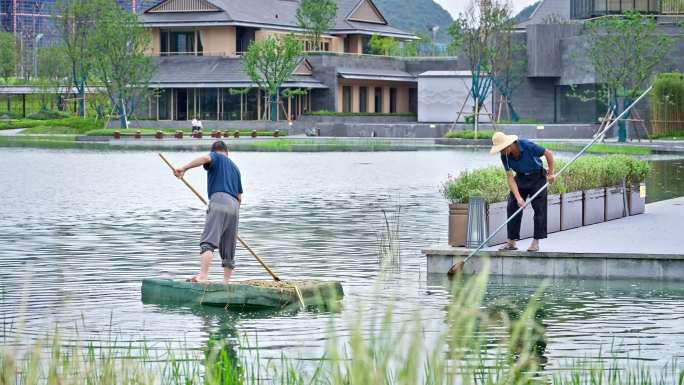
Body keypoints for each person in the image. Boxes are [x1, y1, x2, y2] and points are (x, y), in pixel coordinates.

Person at [174, 140, 243, 283]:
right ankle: (226, 283)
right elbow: (239, 197)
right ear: (227, 152)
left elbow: (205, 158)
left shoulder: (216, 156)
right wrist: (230, 215)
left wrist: (184, 168)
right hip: (235, 206)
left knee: (209, 241)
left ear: (215, 150)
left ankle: (203, 276)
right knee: (228, 246)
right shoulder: (235, 168)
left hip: (219, 199)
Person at [489, 132, 555, 252]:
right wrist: (519, 198)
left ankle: (536, 242)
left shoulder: (526, 145)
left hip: (537, 177)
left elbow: (548, 153)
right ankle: (511, 242)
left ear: (508, 145)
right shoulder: (505, 156)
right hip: (520, 178)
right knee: (512, 205)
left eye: (501, 149)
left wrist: (550, 173)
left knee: (539, 209)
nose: (501, 152)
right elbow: (510, 178)